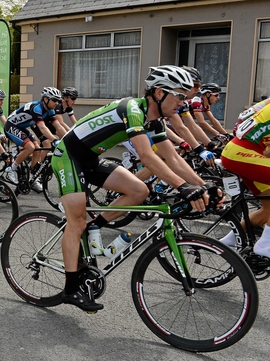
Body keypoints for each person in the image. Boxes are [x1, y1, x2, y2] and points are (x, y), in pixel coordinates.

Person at [52, 65, 212, 312]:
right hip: (68, 156)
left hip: (91, 158)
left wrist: (201, 187)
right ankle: (70, 290)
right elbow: (148, 157)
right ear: (159, 93)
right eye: (180, 96)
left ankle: (97, 224)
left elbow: (173, 159)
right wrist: (182, 187)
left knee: (139, 191)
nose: (184, 101)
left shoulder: (156, 122)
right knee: (76, 222)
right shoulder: (132, 109)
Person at [220, 100, 270, 257]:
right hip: (242, 153)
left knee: (268, 209)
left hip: (240, 152)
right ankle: (265, 246)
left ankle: (231, 240)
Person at [6, 87, 64, 192]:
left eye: (58, 101)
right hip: (11, 126)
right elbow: (42, 127)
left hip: (22, 128)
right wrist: (54, 140)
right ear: (46, 99)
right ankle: (11, 169)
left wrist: (67, 138)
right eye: (55, 100)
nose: (57, 103)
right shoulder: (37, 108)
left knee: (38, 150)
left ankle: (33, 179)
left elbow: (58, 126)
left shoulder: (50, 110)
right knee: (30, 147)